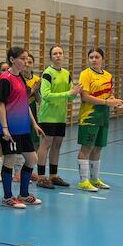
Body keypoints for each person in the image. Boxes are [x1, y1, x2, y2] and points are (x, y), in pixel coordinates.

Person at [0, 46, 44, 209]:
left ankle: (23, 194)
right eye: (22, 59)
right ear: (12, 60)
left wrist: (34, 123)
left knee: (32, 159)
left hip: (23, 128)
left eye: (27, 59)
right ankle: (8, 197)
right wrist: (5, 127)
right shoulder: (5, 79)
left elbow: (24, 103)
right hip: (10, 128)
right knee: (10, 160)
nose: (25, 62)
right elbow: (0, 104)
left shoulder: (21, 77)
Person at [77, 48, 123, 191]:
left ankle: (94, 179)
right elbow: (85, 97)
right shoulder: (85, 74)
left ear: (102, 59)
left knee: (98, 148)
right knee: (86, 147)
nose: (93, 59)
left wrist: (115, 102)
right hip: (89, 117)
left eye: (96, 57)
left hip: (103, 116)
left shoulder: (108, 76)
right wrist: (106, 102)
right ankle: (83, 181)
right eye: (91, 57)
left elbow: (110, 95)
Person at [36, 46, 78, 188]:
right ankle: (41, 177)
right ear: (51, 57)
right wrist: (68, 93)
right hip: (47, 116)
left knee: (57, 145)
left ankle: (53, 175)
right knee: (46, 144)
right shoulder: (47, 73)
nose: (58, 55)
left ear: (64, 55)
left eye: (60, 53)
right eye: (55, 53)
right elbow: (46, 95)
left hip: (60, 116)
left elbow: (70, 96)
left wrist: (75, 92)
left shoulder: (66, 73)